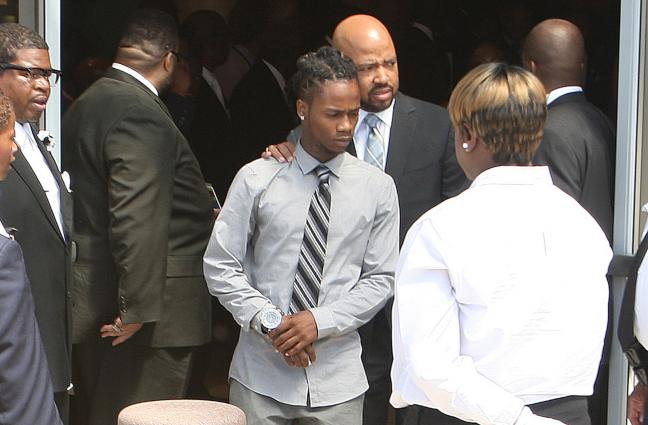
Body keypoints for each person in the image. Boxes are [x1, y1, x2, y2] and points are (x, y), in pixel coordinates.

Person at [265, 15, 468, 424]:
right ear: (340, 65)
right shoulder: (309, 136)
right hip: (345, 319)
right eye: (367, 67)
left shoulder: (438, 125)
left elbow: (457, 221)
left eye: (389, 64)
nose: (381, 77)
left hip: (421, 312)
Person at [391, 63, 612, 425]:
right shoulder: (583, 226)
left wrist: (517, 420)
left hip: (472, 417)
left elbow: (430, 366)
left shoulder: (439, 229)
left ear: (467, 136)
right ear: (536, 133)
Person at [203, 45, 399, 425]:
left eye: (353, 114)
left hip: (337, 379)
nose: (346, 125)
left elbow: (380, 278)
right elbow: (220, 265)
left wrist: (318, 321)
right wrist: (273, 322)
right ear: (302, 109)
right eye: (333, 114)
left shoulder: (377, 187)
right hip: (261, 375)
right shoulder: (258, 178)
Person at [62, 10, 214, 425]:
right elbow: (136, 212)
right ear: (170, 59)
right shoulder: (138, 110)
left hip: (101, 296)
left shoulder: (90, 101)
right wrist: (136, 306)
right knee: (139, 418)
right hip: (145, 316)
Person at [0, 22, 73, 422]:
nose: (43, 84)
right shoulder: (3, 146)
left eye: (47, 74)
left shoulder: (32, 136)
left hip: (49, 332)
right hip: (13, 344)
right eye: (29, 72)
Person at [523, 18, 615, 242]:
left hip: (569, 269)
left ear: (530, 67)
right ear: (583, 64)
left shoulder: (547, 130)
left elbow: (551, 225)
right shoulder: (602, 121)